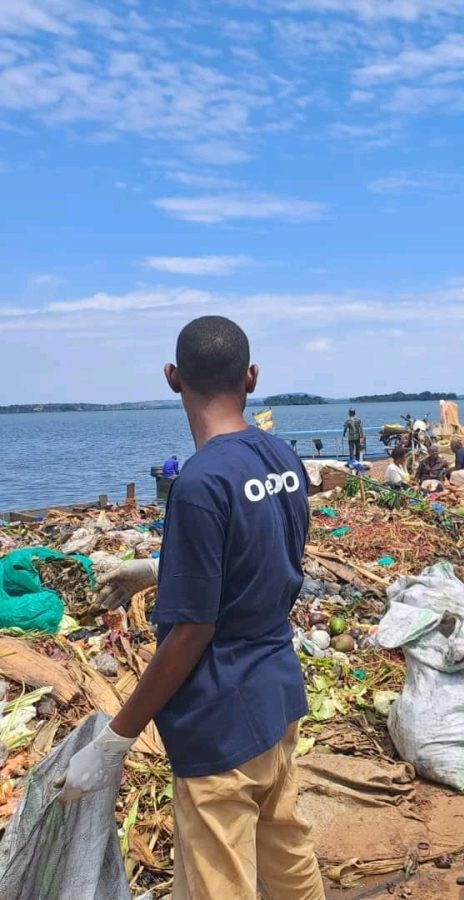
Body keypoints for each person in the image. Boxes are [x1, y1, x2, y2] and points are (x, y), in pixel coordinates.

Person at [61, 316, 325, 900]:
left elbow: (191, 632)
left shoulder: (200, 481)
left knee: (217, 882)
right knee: (285, 852)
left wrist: (116, 740)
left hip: (220, 716)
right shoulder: (282, 458)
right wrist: (158, 572)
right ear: (252, 377)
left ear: (172, 378)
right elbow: (266, 555)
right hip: (278, 694)